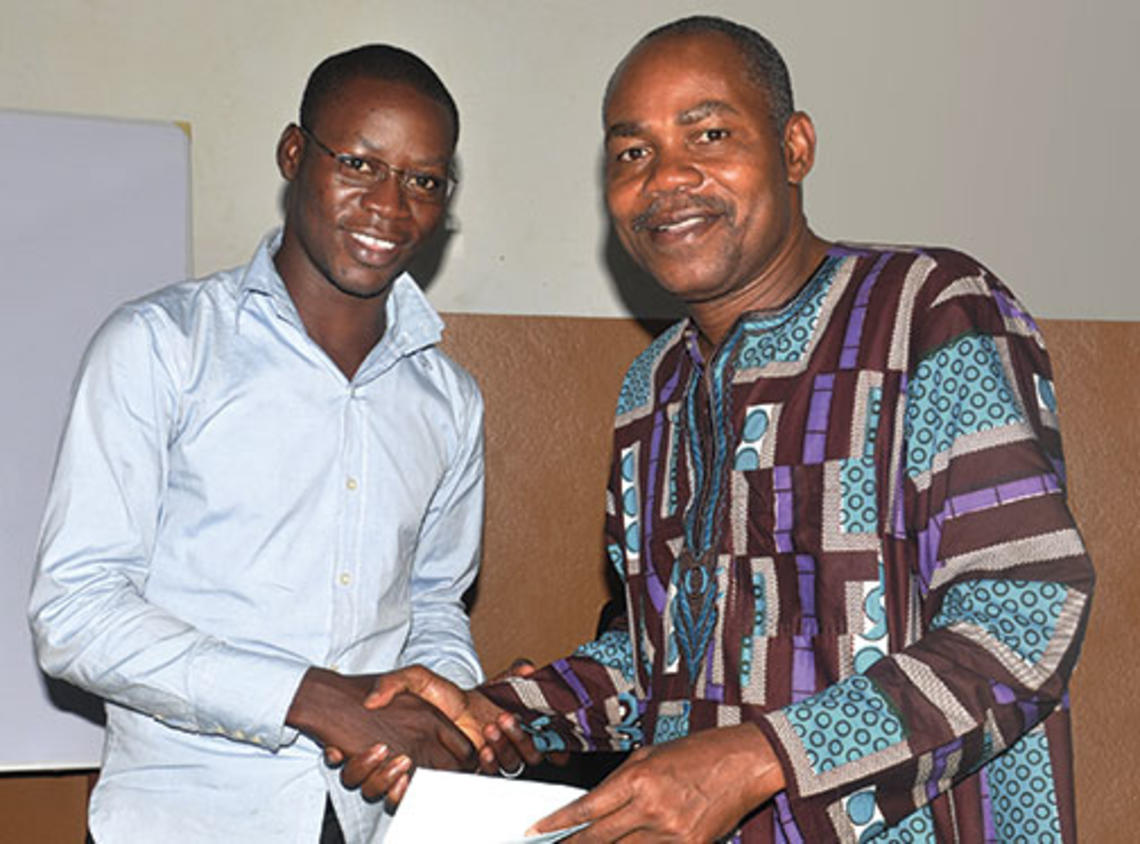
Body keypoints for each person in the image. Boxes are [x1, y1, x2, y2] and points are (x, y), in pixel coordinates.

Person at [358, 16, 1094, 843]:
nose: (669, 176)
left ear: (795, 147)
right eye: (632, 153)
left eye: (709, 134)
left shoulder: (927, 309)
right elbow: (658, 663)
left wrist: (757, 759)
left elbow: (1026, 611)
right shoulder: (653, 388)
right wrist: (486, 717)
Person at [28, 44, 489, 843]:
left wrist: (434, 708)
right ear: (292, 153)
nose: (389, 205)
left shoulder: (448, 401)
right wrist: (312, 699)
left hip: (375, 818)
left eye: (423, 181)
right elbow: (76, 610)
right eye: (359, 163)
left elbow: (435, 602)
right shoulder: (161, 347)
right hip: (190, 820)